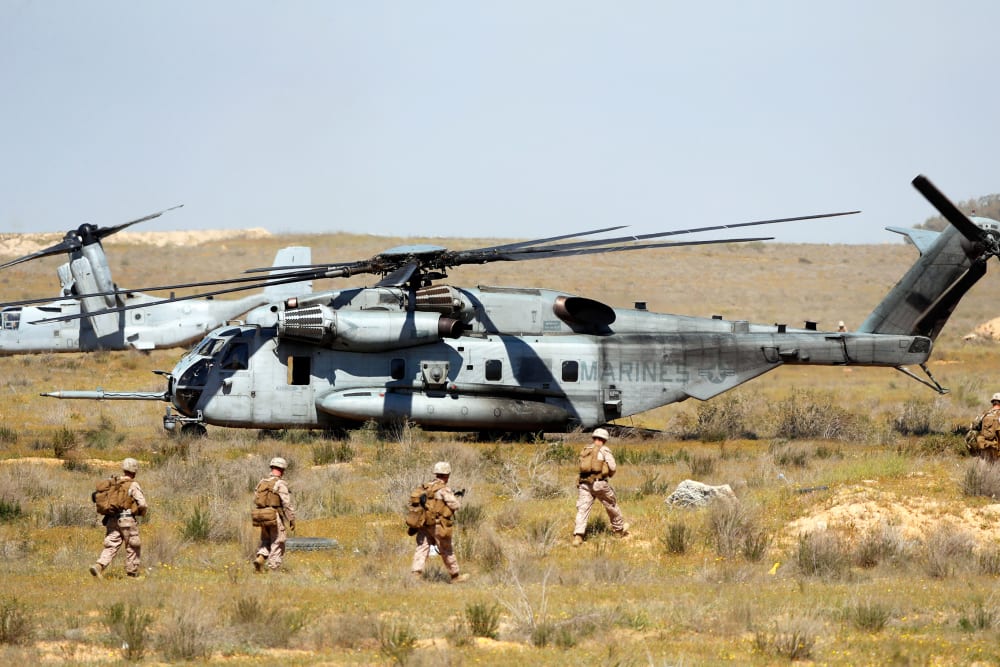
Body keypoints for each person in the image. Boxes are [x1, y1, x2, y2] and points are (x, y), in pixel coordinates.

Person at [411, 461, 469, 583]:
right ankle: (455, 576)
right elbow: (455, 505)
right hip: (438, 525)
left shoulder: (425, 487)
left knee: (422, 548)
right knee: (446, 550)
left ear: (436, 473)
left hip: (424, 523)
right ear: (447, 475)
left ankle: (415, 574)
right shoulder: (444, 490)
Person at [90, 457, 147, 579]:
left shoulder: (114, 482)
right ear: (134, 471)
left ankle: (99, 566)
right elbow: (142, 503)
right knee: (133, 545)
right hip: (127, 520)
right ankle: (132, 574)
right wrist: (142, 513)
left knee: (111, 545)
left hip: (112, 520)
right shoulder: (133, 484)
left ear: (124, 469)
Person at [573, 428, 629, 546]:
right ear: (605, 439)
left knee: (583, 509)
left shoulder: (586, 449)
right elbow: (612, 467)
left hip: (584, 483)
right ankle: (618, 531)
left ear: (593, 438)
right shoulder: (604, 450)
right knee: (611, 505)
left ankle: (578, 536)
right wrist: (609, 475)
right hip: (599, 484)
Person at [253, 457, 296, 572]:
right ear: (282, 470)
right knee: (278, 541)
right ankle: (273, 568)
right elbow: (286, 503)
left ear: (271, 468)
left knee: (265, 540)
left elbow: (256, 498)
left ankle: (260, 558)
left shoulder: (262, 482)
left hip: (261, 515)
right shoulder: (280, 484)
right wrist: (291, 519)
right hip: (274, 515)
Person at [969, 393, 1000, 461]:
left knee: (984, 468)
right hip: (997, 447)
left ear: (992, 403)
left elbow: (973, 426)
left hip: (984, 445)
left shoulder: (985, 413)